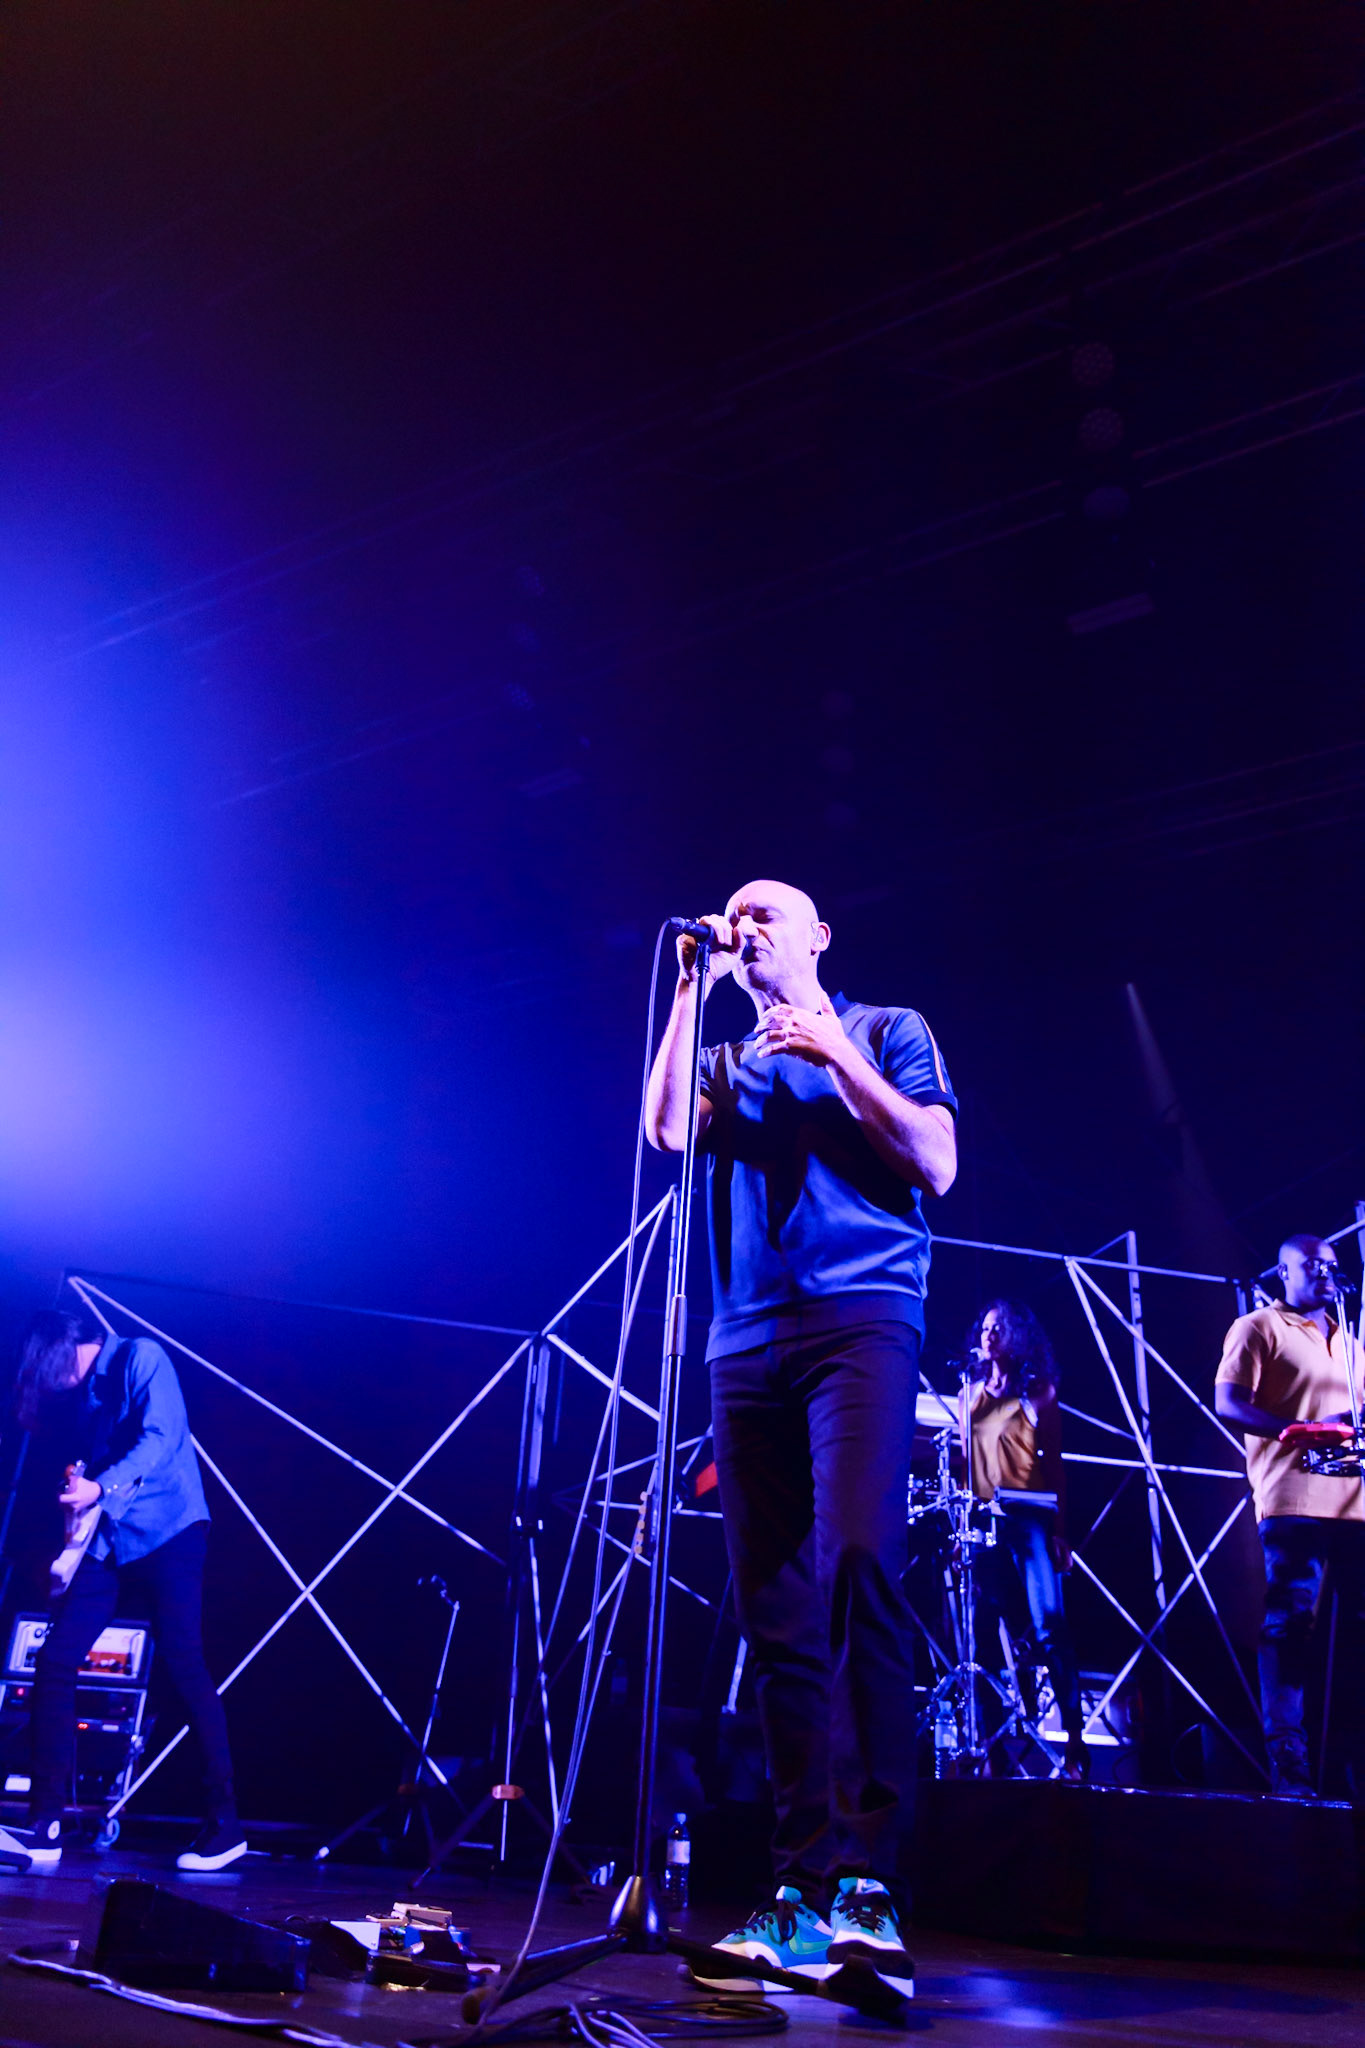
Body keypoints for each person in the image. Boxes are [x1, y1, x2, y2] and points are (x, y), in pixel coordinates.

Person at [645, 879, 957, 2002]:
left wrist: (834, 1052)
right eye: (738, 913)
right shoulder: (724, 1059)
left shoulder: (887, 1028)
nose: (750, 923)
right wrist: (695, 981)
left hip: (864, 1318)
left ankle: (870, 1884)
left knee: (861, 1565)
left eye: (769, 912)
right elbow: (668, 1127)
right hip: (745, 1341)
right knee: (773, 1610)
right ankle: (798, 1888)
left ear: (819, 935)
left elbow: (936, 1162)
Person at [2, 1308, 245, 1872]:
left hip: (170, 1532)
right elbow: (90, 1479)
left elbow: (161, 1436)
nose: (49, 1378)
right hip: (110, 1544)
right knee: (55, 1660)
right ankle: (45, 1822)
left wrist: (99, 1487)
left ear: (68, 1346)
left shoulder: (141, 1356)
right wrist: (65, 1552)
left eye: (48, 1364)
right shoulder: (89, 1400)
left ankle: (226, 1824)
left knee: (184, 1666)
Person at [1214, 1235, 1365, 1799]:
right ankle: (1289, 1764)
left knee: (1353, 1633)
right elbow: (1228, 1401)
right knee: (1290, 1623)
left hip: (1355, 1502)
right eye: (1312, 1266)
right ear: (1284, 1272)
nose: (1326, 1274)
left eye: (1332, 1266)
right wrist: (1287, 1429)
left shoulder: (1350, 1340)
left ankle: (1349, 1760)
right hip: (1294, 1497)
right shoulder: (1257, 1328)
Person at [962, 1300, 1085, 1779]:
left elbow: (1054, 1463)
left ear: (1017, 1337)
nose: (990, 1334)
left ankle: (1074, 1741)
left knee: (1050, 1624)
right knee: (982, 1636)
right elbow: (963, 1463)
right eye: (985, 1327)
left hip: (1030, 1515)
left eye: (1000, 1328)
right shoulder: (969, 1392)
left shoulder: (1039, 1391)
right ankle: (994, 1750)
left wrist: (1061, 1531)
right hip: (983, 1519)